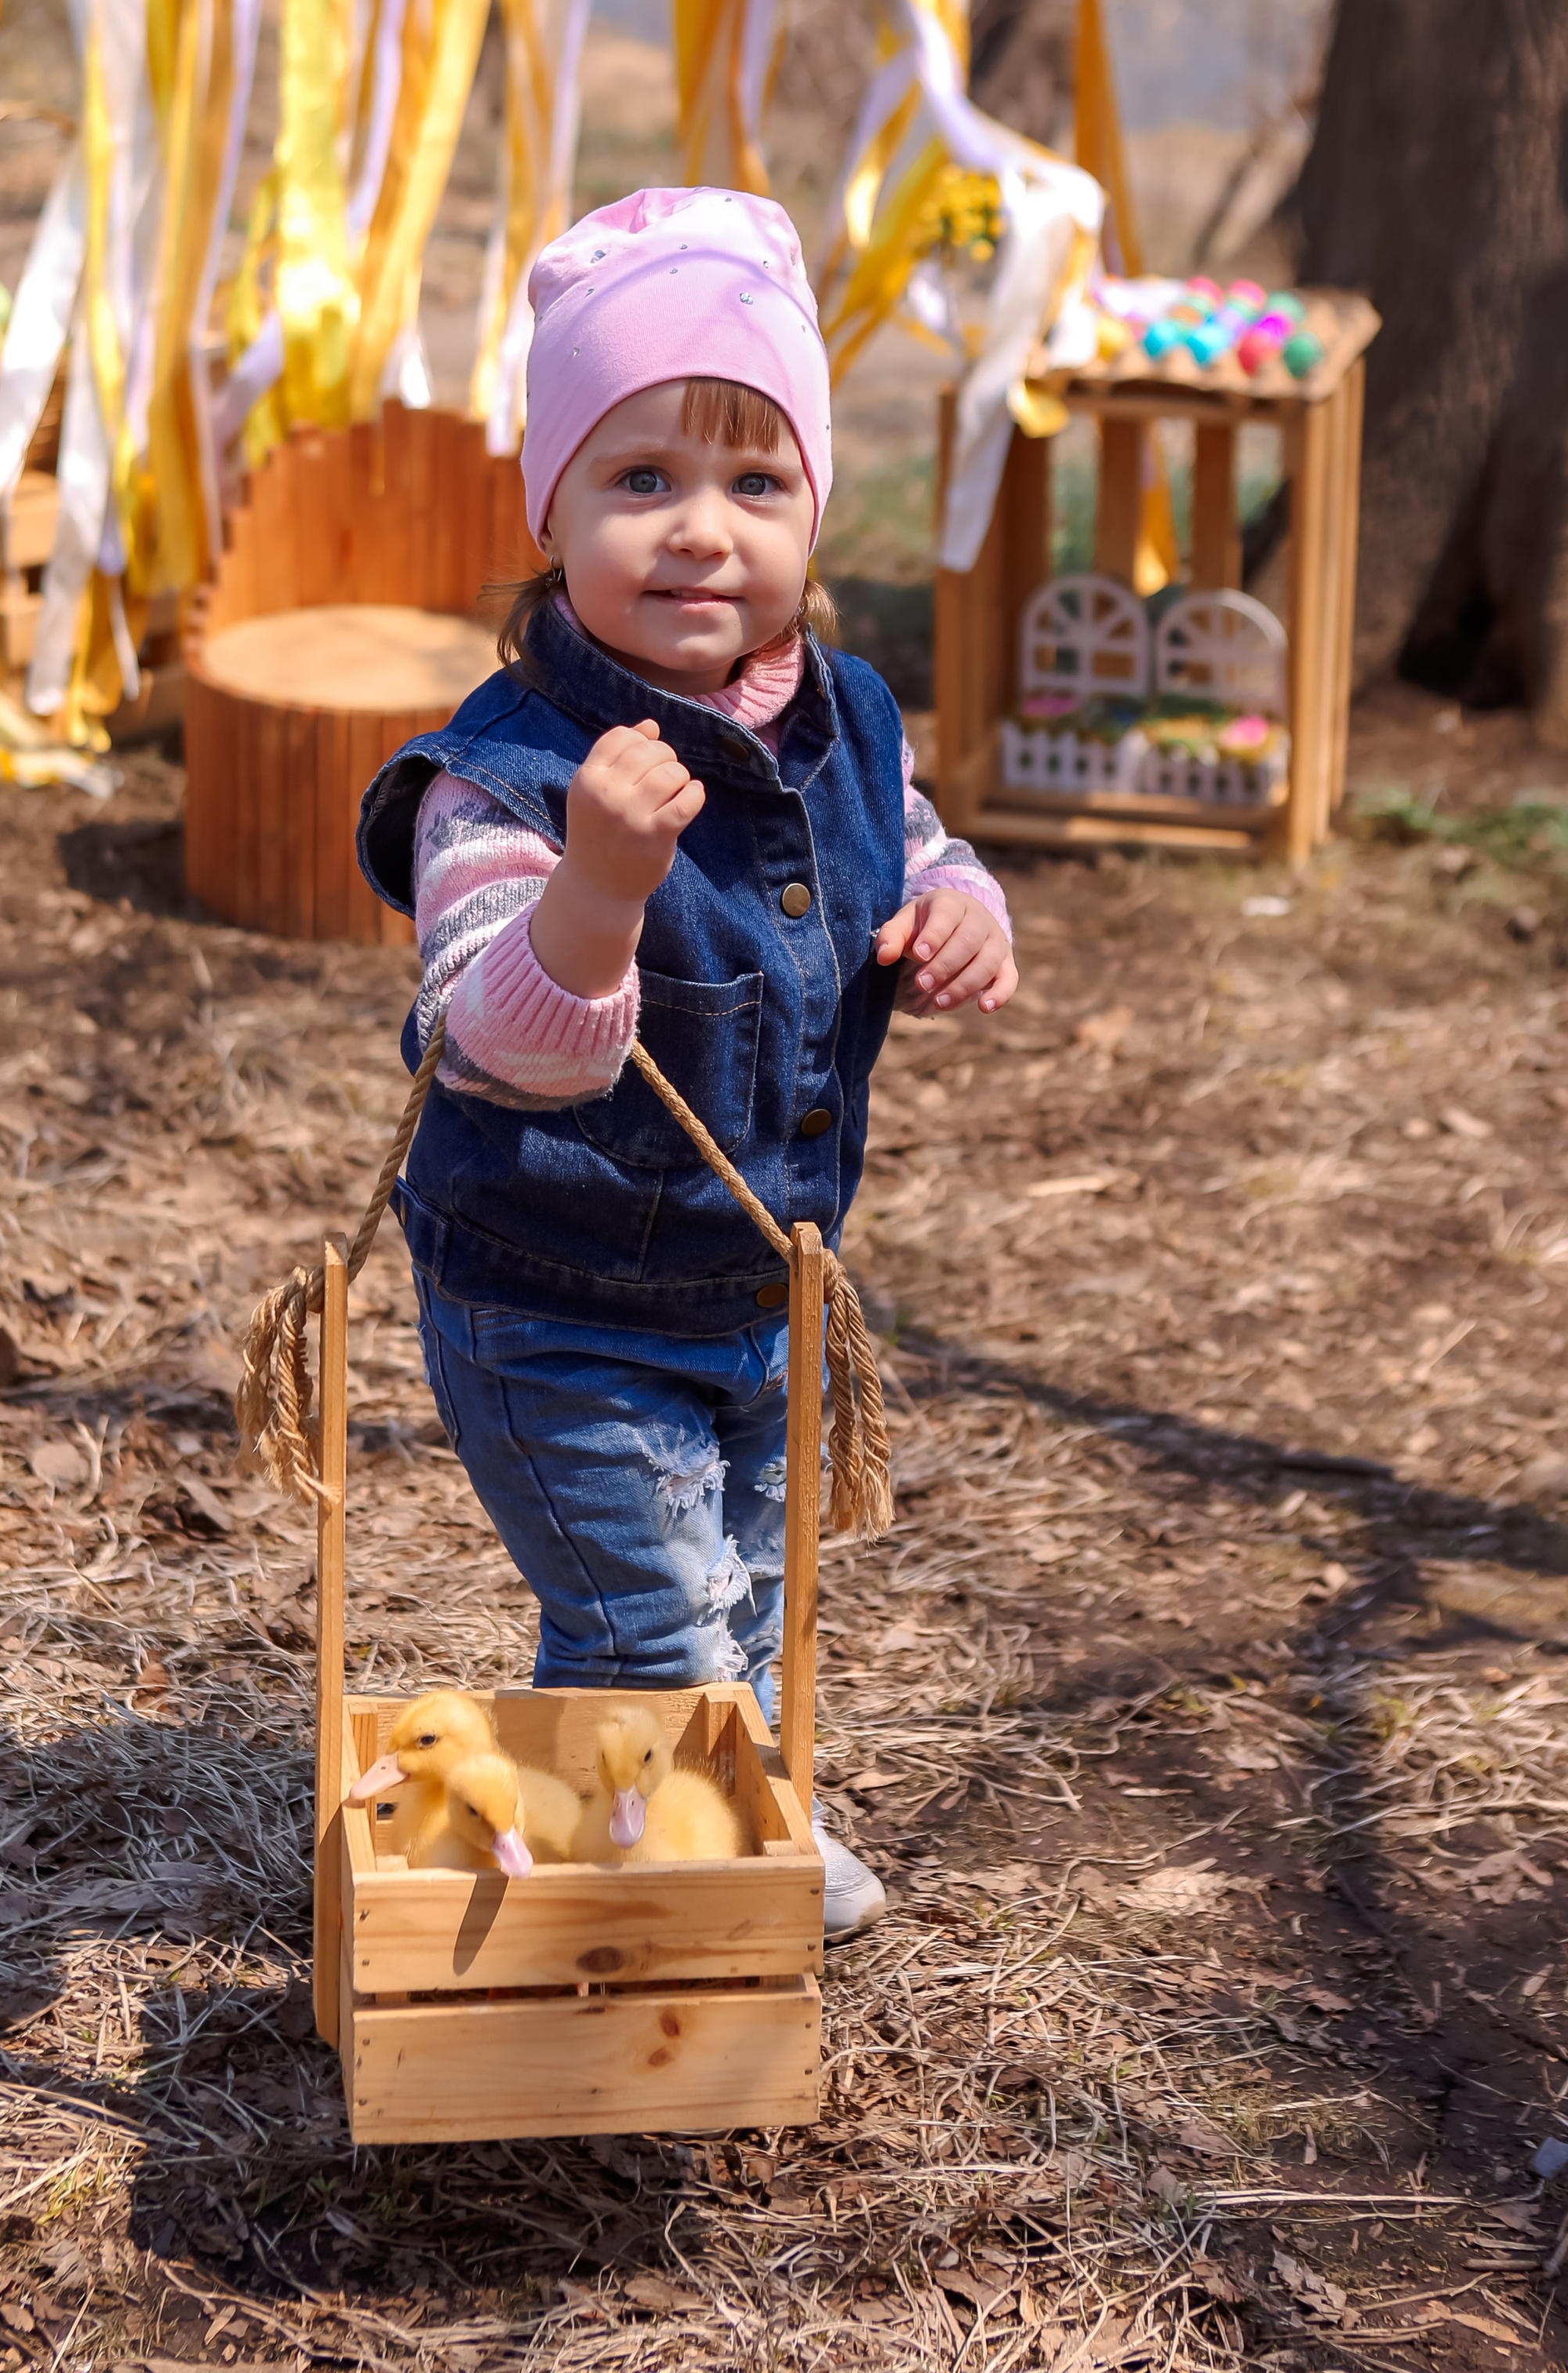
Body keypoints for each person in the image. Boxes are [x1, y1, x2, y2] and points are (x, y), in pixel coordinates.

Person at [357, 185, 1017, 1934]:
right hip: (552, 1303)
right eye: (636, 480)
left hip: (758, 1291)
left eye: (753, 482)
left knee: (743, 1599)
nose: (699, 531)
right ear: (551, 511)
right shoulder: (500, 779)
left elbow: (909, 835)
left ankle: (708, 1818)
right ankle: (654, 1912)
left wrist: (956, 904)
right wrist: (597, 889)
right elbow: (498, 1043)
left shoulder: (842, 714)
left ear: (814, 509)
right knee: (641, 1624)